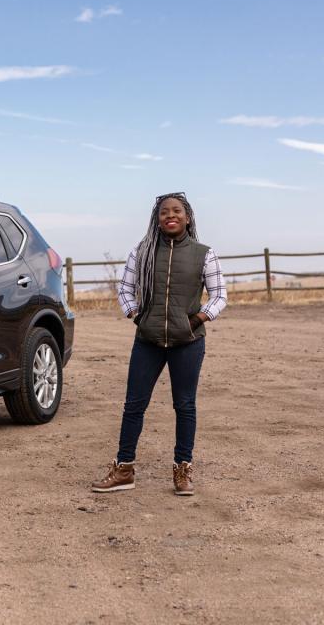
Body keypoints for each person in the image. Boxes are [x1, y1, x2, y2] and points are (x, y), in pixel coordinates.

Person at [91, 192, 227, 496]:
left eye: (177, 211)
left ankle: (183, 471)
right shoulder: (142, 252)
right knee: (134, 405)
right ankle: (124, 469)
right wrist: (138, 317)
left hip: (188, 343)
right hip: (148, 341)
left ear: (188, 217)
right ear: (157, 219)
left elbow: (220, 296)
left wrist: (197, 319)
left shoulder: (204, 254)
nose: (170, 216)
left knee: (185, 405)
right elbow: (125, 290)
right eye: (164, 212)